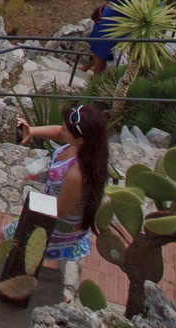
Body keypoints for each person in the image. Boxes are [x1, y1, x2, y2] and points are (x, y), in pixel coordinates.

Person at [10, 103, 109, 262]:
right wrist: (32, 131)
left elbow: (61, 211)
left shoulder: (77, 174)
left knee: (10, 238)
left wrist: (32, 202)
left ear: (80, 140)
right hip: (54, 207)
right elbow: (60, 133)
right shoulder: (86, 147)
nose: (61, 130)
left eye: (65, 129)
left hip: (59, 224)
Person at [87, 0, 153, 74]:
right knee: (96, 50)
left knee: (100, 55)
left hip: (111, 29)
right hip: (108, 26)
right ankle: (85, 68)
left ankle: (94, 80)